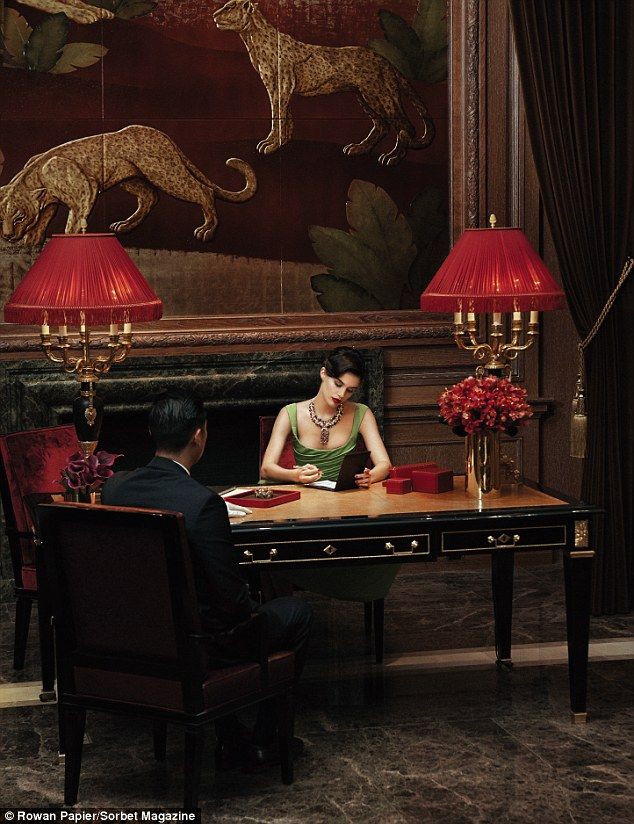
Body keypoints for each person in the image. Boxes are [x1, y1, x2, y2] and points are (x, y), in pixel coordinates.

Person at [102, 390, 312, 767]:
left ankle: (232, 734)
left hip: (134, 636)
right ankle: (264, 742)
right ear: (199, 435)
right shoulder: (203, 504)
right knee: (296, 612)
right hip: (196, 645)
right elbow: (232, 604)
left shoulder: (114, 488)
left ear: (152, 432)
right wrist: (256, 613)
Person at [260, 347, 399, 602]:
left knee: (384, 544)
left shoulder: (361, 413)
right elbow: (267, 468)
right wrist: (295, 476)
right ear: (323, 373)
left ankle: (359, 586)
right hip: (305, 511)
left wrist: (372, 476)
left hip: (346, 509)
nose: (341, 395)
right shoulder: (290, 412)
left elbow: (384, 464)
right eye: (337, 385)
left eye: (350, 390)